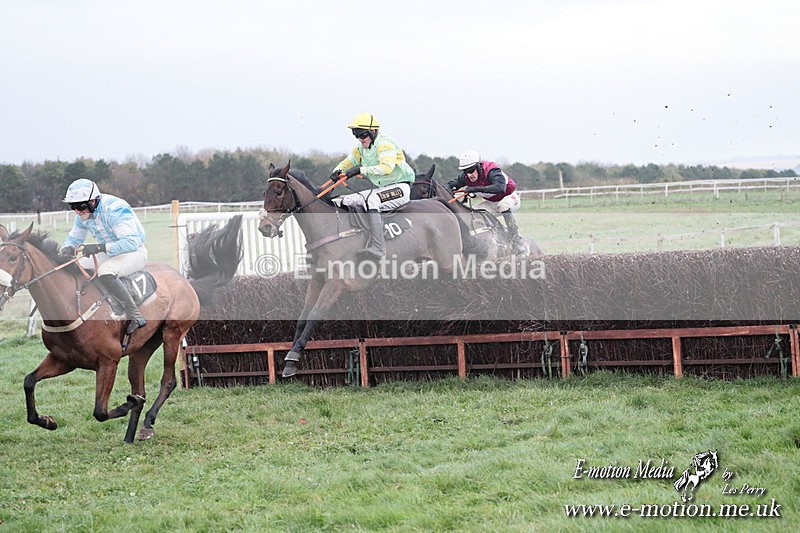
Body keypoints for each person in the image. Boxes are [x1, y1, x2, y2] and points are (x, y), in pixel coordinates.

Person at [58, 178, 148, 334]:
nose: (77, 211)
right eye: (73, 207)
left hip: (134, 252)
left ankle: (136, 315)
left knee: (105, 271)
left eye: (80, 206)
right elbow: (74, 238)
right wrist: (67, 249)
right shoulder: (83, 214)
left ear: (93, 201)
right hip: (109, 252)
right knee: (72, 265)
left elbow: (130, 243)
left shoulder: (115, 209)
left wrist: (99, 247)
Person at [330, 113, 415, 259]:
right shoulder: (361, 148)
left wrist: (360, 169)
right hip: (382, 189)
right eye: (356, 136)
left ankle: (378, 247)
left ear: (373, 132)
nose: (360, 139)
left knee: (371, 200)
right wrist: (337, 171)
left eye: (362, 136)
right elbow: (349, 162)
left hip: (401, 188)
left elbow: (386, 168)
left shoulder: (385, 144)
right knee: (343, 200)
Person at [447, 150, 526, 254]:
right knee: (473, 214)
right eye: (466, 171)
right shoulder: (466, 176)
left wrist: (475, 190)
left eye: (471, 170)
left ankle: (517, 241)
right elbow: (452, 184)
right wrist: (446, 188)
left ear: (479, 166)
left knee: (503, 206)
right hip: (490, 203)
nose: (469, 174)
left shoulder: (492, 170)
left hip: (508, 198)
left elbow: (500, 188)